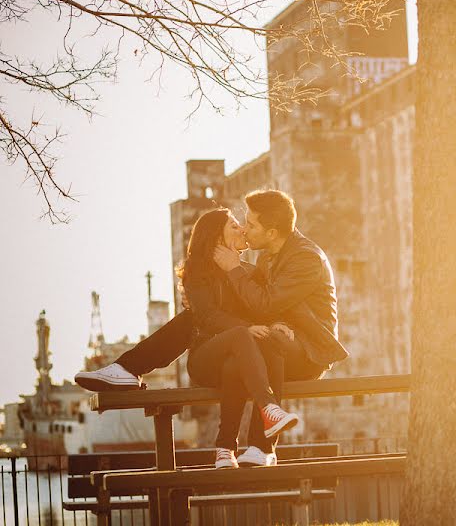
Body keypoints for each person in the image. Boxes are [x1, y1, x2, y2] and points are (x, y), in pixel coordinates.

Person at [75, 189, 348, 467]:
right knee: (207, 327)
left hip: (308, 348)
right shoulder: (265, 258)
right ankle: (129, 370)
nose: (244, 228)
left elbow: (265, 304)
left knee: (264, 338)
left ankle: (261, 446)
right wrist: (199, 301)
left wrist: (266, 314)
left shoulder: (306, 258)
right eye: (240, 223)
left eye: (251, 225)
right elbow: (252, 303)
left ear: (272, 232)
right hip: (261, 344)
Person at [178, 208, 299, 468]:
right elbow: (208, 317)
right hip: (207, 356)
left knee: (262, 349)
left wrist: (279, 323)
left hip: (239, 359)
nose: (243, 229)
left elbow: (264, 306)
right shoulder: (198, 272)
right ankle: (269, 412)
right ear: (216, 236)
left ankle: (228, 449)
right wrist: (247, 327)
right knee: (241, 337)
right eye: (235, 225)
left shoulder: (249, 271)